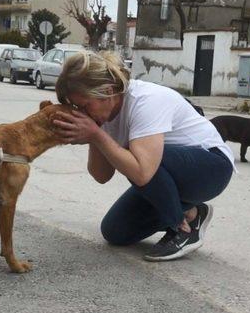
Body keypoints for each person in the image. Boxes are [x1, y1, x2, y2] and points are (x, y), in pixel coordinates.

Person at [52, 51, 234, 261]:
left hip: (211, 168)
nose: (82, 112)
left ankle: (182, 230)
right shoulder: (103, 113)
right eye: (77, 107)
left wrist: (96, 134)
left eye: (84, 106)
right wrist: (95, 134)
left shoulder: (145, 100)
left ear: (108, 91)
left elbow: (141, 172)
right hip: (164, 176)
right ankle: (193, 214)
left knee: (137, 162)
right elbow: (101, 175)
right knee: (115, 231)